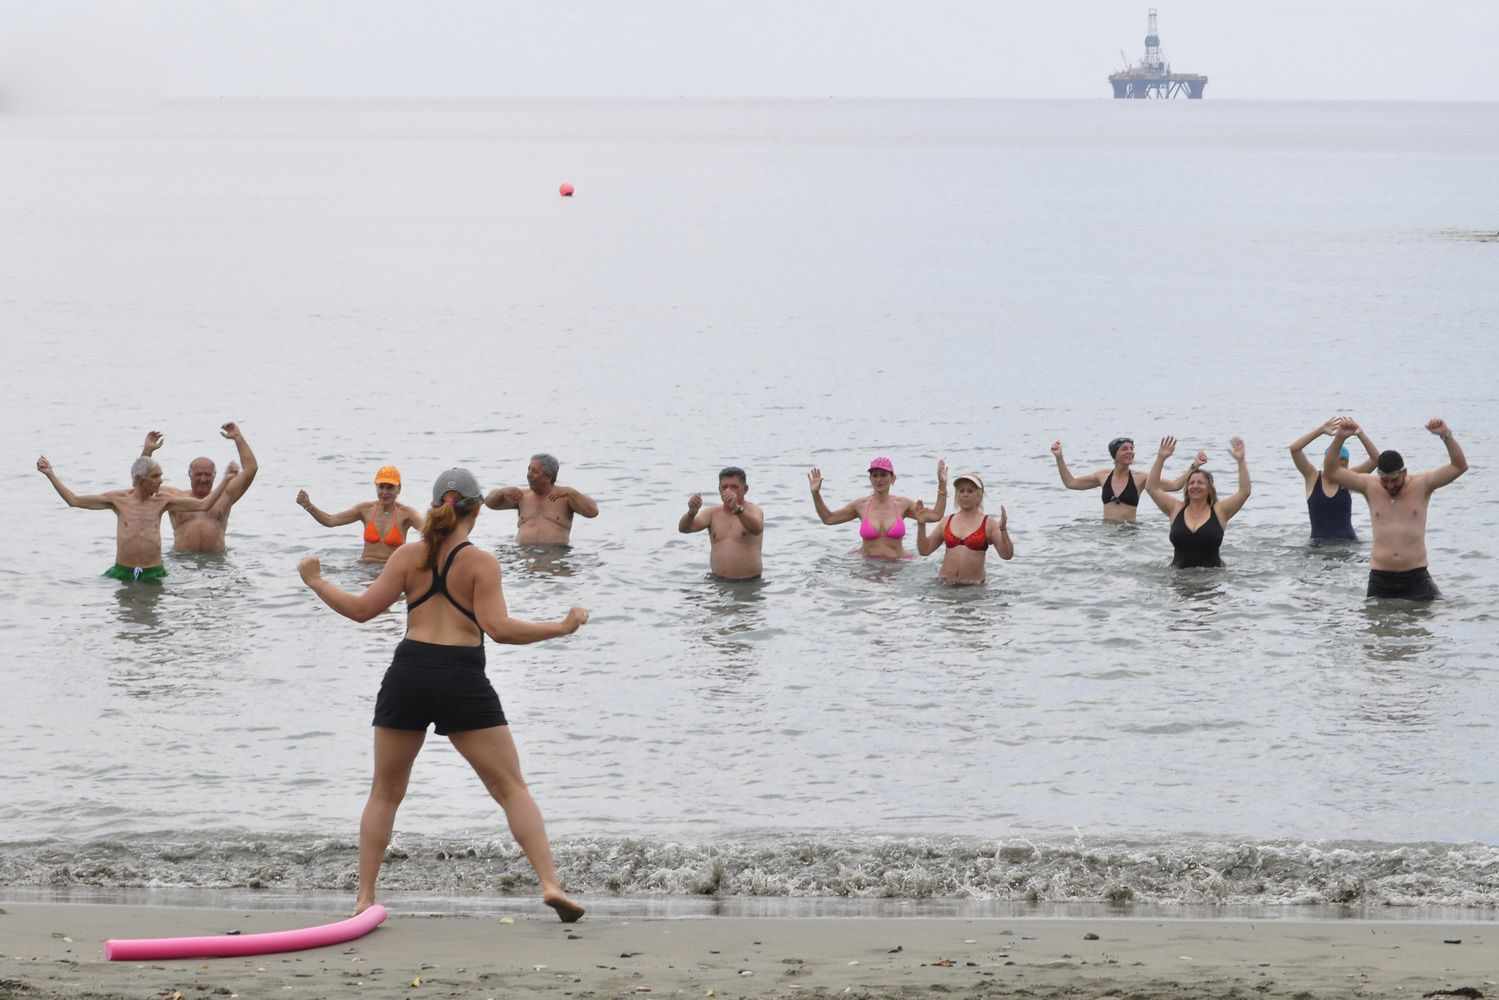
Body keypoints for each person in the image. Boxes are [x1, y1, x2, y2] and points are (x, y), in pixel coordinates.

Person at [297, 468, 589, 920]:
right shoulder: (480, 562)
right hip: (461, 677)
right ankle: (550, 883)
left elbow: (360, 611)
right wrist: (562, 627)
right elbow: (500, 630)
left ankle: (365, 898)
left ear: (435, 506)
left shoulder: (407, 556)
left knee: (385, 793)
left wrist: (316, 581)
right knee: (511, 788)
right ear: (474, 511)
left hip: (408, 671)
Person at [1322, 417, 1467, 601]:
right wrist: (1339, 438)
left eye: (1394, 480)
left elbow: (1459, 466)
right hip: (1380, 579)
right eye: (1385, 480)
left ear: (1404, 473)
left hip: (1416, 577)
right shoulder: (1369, 486)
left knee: (1431, 620)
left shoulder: (1423, 485)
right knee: (1377, 627)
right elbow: (1331, 472)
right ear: (1378, 475)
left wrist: (1446, 436)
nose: (1390, 486)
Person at [37, 453, 230, 582]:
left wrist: (226, 480)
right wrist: (50, 475)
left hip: (153, 572)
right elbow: (74, 500)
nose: (161, 481)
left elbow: (204, 504)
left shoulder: (163, 501)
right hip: (123, 570)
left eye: (160, 476)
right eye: (156, 477)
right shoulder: (118, 500)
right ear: (140, 480)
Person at [140, 423, 260, 553]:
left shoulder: (225, 495)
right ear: (190, 475)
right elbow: (141, 486)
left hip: (216, 565)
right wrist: (147, 451)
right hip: (183, 563)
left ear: (214, 476)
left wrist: (238, 438)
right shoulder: (174, 497)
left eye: (207, 475)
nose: (203, 479)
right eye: (198, 474)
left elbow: (251, 469)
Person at [808, 457, 947, 560]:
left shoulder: (903, 504)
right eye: (874, 475)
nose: (879, 480)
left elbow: (936, 515)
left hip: (898, 565)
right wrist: (816, 494)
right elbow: (829, 519)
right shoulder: (860, 505)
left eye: (883, 475)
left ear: (893, 478)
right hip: (868, 566)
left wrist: (942, 484)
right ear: (870, 479)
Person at [1144, 437, 1252, 568]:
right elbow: (1151, 488)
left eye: (1200, 483)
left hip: (1212, 579)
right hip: (1179, 579)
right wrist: (1161, 458)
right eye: (1191, 483)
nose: (1195, 486)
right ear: (1187, 488)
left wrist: (1241, 461)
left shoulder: (1220, 511)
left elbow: (1244, 492)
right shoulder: (1175, 508)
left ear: (1209, 489)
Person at [1050, 437, 1206, 523]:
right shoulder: (1103, 476)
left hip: (1130, 532)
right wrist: (1059, 458)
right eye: (1125, 449)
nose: (1130, 452)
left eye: (1132, 449)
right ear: (1114, 454)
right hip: (1107, 532)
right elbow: (1070, 483)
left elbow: (1174, 485)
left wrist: (1194, 466)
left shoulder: (1141, 478)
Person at [296, 466, 426, 563]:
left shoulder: (407, 514)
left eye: (390, 487)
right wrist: (308, 505)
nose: (385, 492)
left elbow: (430, 532)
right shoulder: (365, 510)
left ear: (399, 489)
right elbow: (331, 521)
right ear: (376, 487)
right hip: (364, 569)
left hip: (391, 571)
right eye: (381, 487)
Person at [1288, 418, 1379, 543]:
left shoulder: (1349, 478)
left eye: (1344, 464)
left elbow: (1376, 460)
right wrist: (1320, 430)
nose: (1339, 470)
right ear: (1327, 462)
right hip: (1318, 547)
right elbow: (1294, 449)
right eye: (1336, 464)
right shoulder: (1312, 477)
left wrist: (1360, 434)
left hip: (1348, 545)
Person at [913, 472, 1014, 584]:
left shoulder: (988, 523)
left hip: (973, 588)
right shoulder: (947, 521)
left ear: (979, 495)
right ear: (957, 495)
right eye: (961, 491)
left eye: (970, 491)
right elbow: (924, 550)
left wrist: (1003, 530)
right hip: (944, 585)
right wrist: (921, 524)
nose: (965, 494)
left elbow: (1007, 555)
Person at [485, 454, 599, 545]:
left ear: (548, 476)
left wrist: (572, 492)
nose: (528, 475)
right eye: (528, 470)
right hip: (524, 556)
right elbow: (490, 503)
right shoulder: (521, 496)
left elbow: (592, 512)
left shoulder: (566, 497)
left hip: (556, 555)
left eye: (534, 471)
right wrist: (501, 492)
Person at [678, 466, 764, 580]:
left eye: (734, 487)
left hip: (749, 584)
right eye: (724, 487)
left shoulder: (754, 510)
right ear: (719, 490)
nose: (728, 491)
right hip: (718, 583)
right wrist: (691, 513)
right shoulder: (712, 513)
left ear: (745, 489)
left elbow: (757, 528)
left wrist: (737, 509)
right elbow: (684, 528)